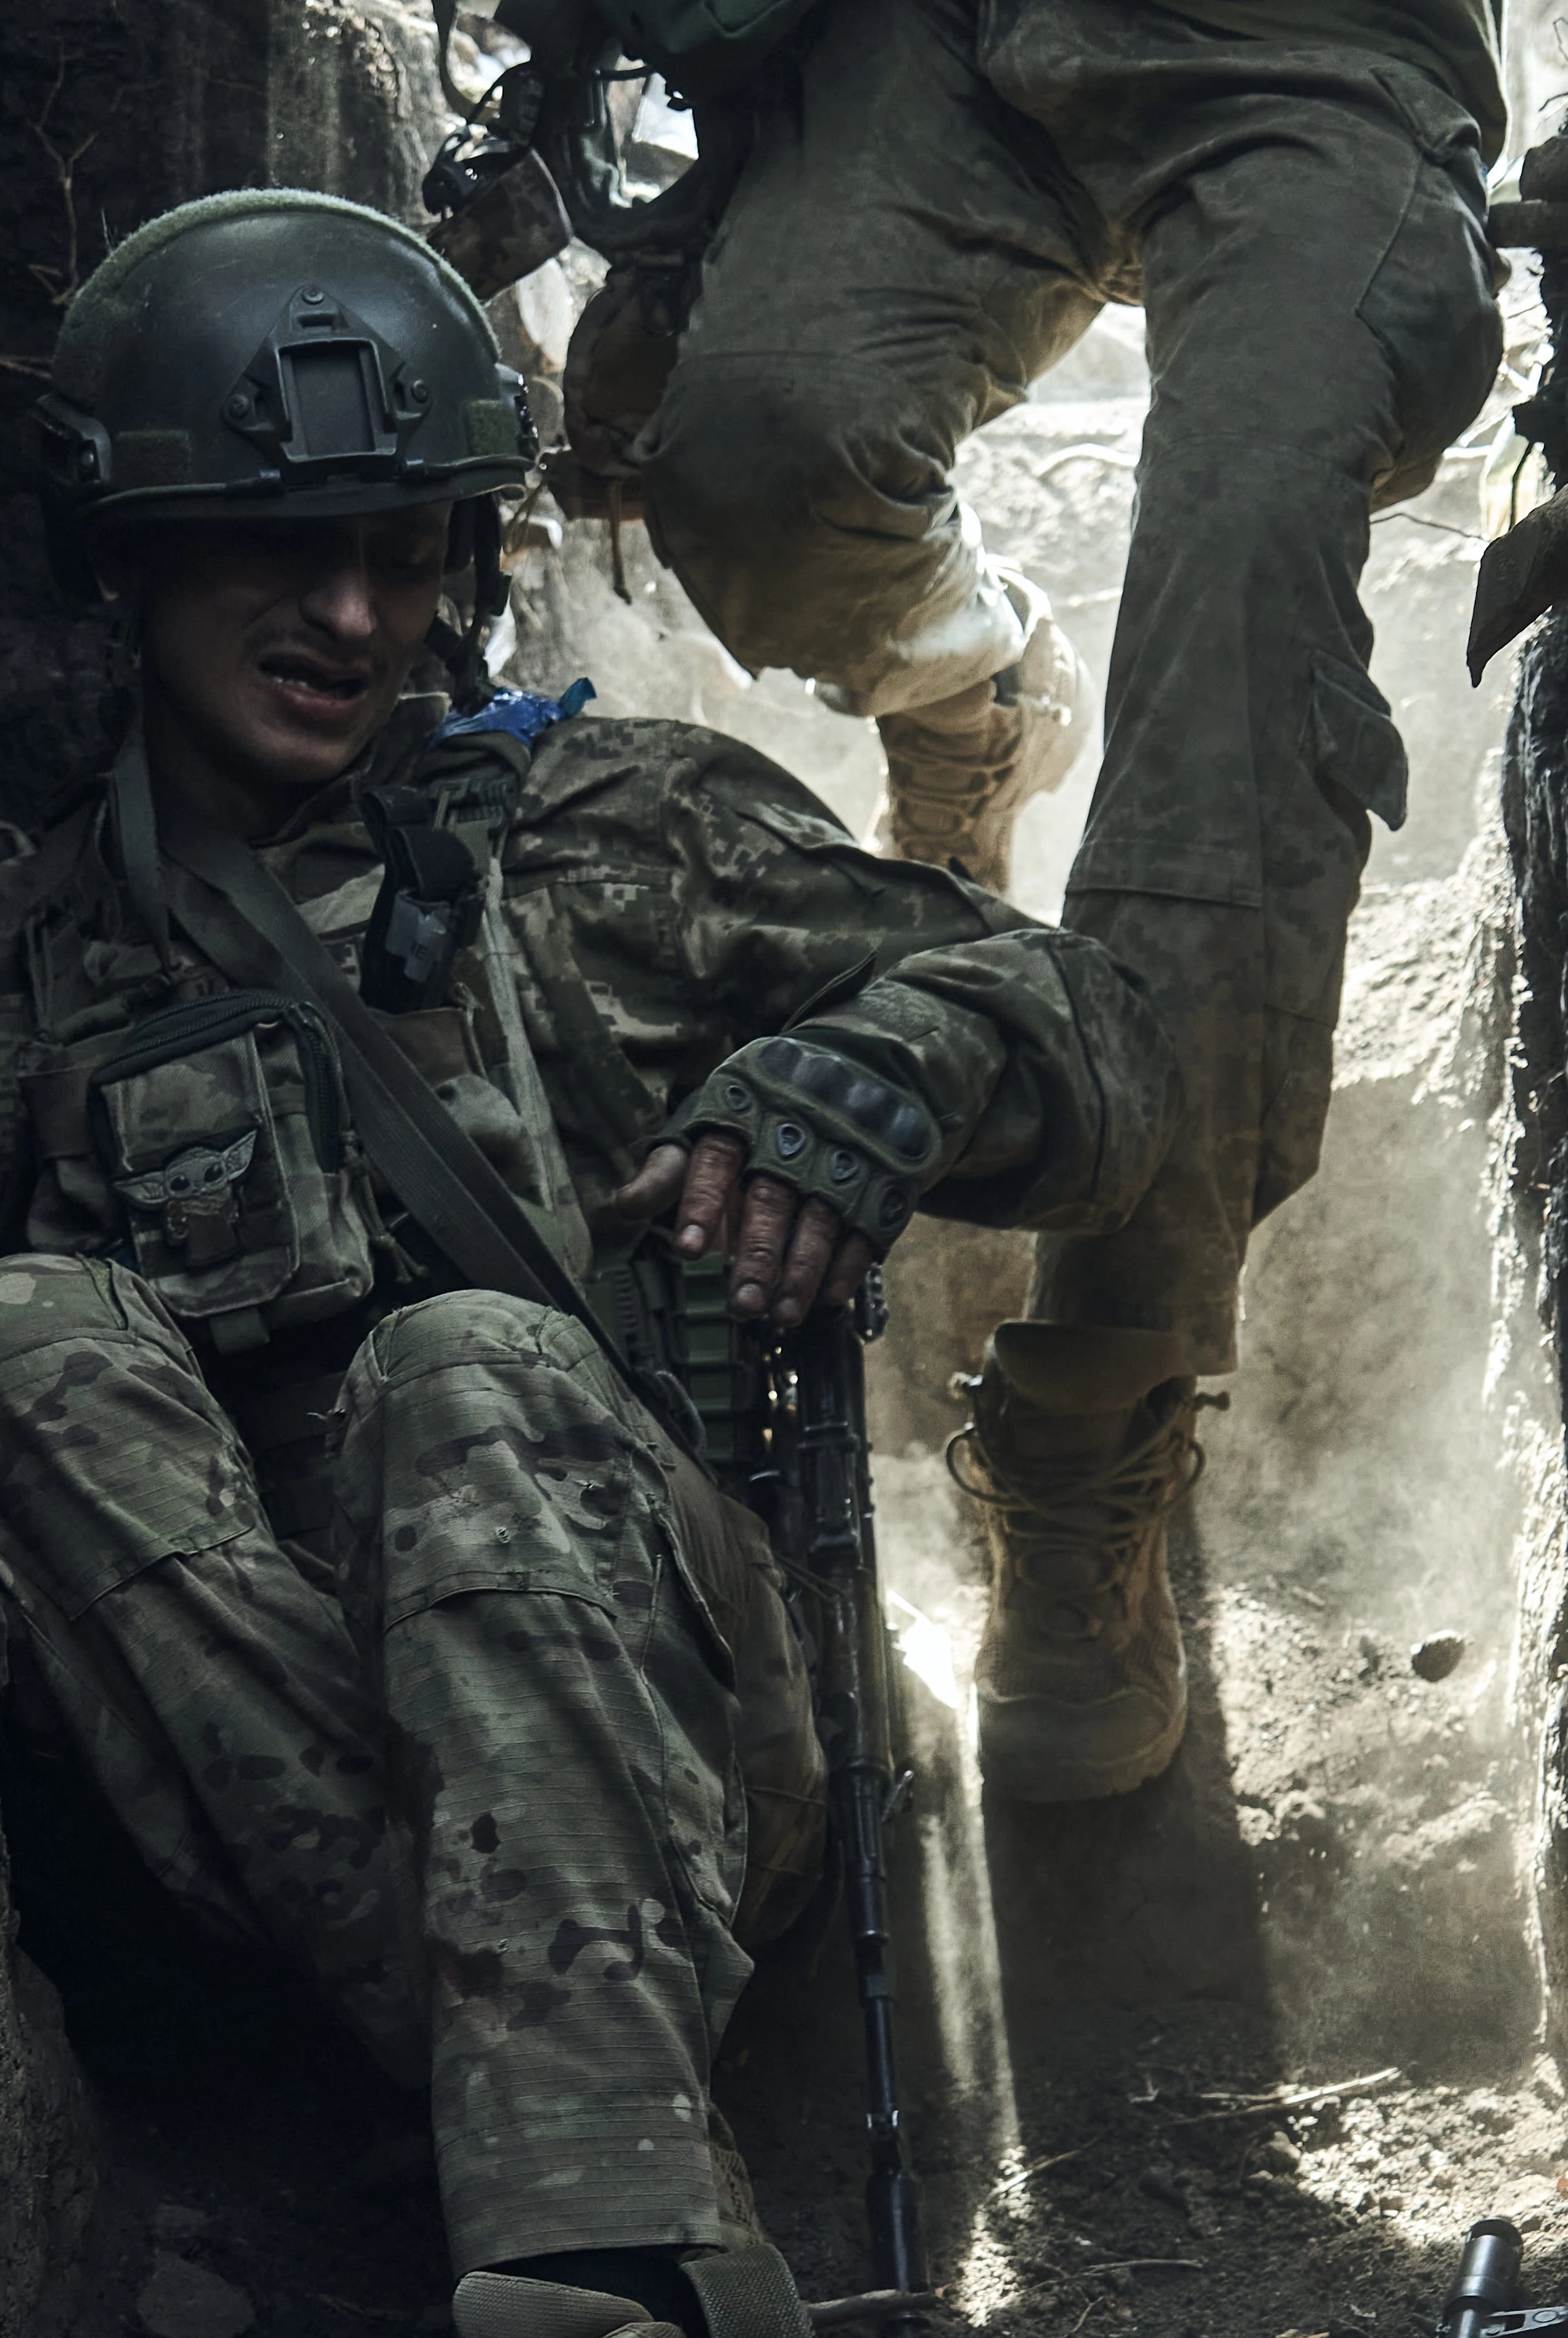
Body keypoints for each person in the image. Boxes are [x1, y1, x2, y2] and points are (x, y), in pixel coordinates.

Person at [0, 189, 1158, 2338]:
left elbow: (1090, 1044)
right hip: (299, 1825)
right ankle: (591, 2235)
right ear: (122, 561)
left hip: (665, 1733)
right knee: (5, 1343)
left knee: (464, 1374)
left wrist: (880, 1062)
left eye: (400, 544)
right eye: (270, 548)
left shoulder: (604, 838)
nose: (347, 610)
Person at [612, 0, 1509, 1801]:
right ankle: (980, 701)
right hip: (949, 26)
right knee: (757, 453)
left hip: (1310, 39)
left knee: (1240, 620)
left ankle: (1091, 1411)